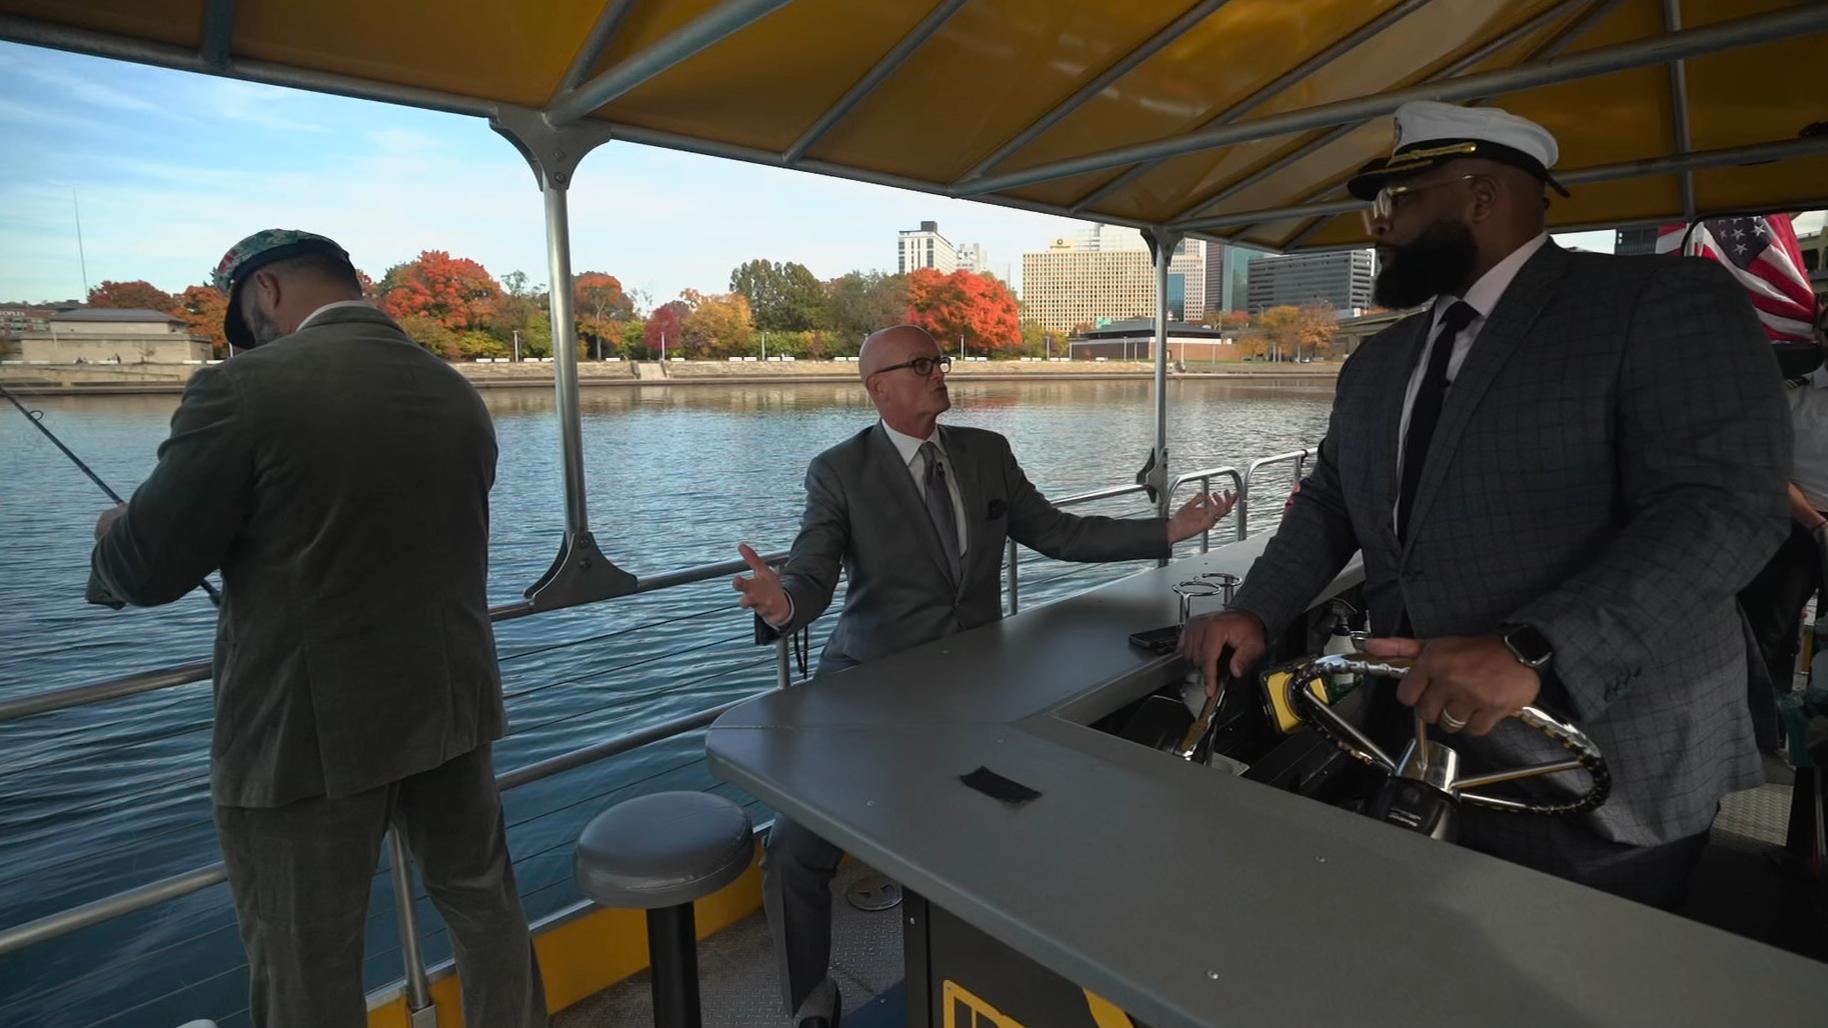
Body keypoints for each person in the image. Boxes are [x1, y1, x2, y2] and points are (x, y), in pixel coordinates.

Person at [1180, 101, 1791, 910]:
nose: (1377, 227)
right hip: (1416, 745)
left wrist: (1537, 648)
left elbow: (1723, 505)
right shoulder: (1379, 361)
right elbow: (1332, 498)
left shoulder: (1656, 300)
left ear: (1479, 195)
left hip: (1605, 758)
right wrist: (1257, 608)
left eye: (1395, 202)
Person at [87, 230, 546, 1028]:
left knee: (305, 960)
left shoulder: (243, 391)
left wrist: (111, 533)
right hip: (450, 704)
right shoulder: (452, 391)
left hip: (306, 735)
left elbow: (151, 566)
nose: (247, 340)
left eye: (244, 317)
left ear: (264, 289)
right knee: (483, 906)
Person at [732, 323, 1232, 1026]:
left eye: (939, 359)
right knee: (791, 850)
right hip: (873, 692)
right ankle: (810, 1002)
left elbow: (1059, 533)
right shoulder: (839, 471)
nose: (940, 371)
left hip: (978, 685)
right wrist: (783, 601)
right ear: (878, 388)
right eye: (921, 364)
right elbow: (812, 571)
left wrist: (1167, 531)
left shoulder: (986, 453)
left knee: (1013, 814)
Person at [1739, 304, 1828, 730]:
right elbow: (1770, 470)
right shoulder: (1792, 395)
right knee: (1769, 630)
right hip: (1797, 522)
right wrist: (1816, 523)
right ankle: (1763, 724)